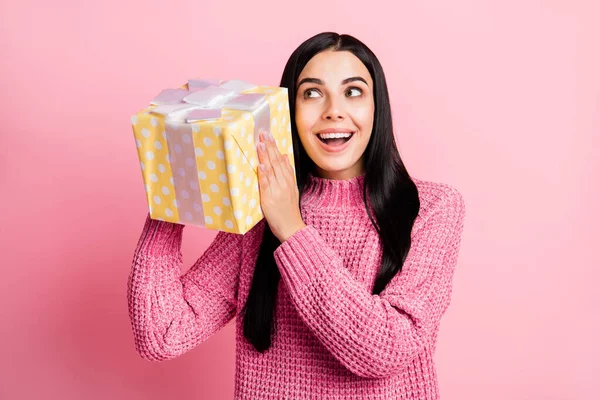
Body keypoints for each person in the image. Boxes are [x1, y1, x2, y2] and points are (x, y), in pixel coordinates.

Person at [127, 31, 466, 400]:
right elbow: (163, 334)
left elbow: (386, 350)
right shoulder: (258, 210)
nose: (333, 110)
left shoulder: (432, 209)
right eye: (312, 93)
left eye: (352, 92)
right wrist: (171, 193)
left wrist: (291, 227)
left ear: (377, 108)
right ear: (288, 111)